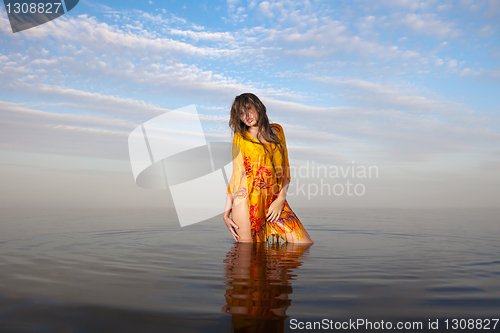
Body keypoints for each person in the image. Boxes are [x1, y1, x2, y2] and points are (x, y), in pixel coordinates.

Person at [223, 93, 314, 244]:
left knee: (305, 243)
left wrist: (281, 198)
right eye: (240, 114)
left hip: (275, 201)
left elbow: (285, 169)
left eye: (248, 109)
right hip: (247, 202)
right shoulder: (241, 138)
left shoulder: (278, 131)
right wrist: (226, 214)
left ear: (258, 107)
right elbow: (236, 175)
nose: (246, 116)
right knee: (250, 256)